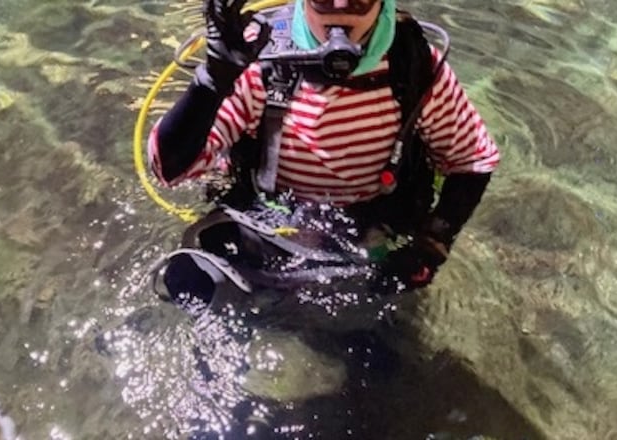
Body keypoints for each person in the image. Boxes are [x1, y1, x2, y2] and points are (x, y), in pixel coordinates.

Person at [147, 0, 498, 309]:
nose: (342, 6)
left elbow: (473, 159)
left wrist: (430, 246)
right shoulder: (261, 60)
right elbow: (170, 170)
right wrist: (212, 79)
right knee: (190, 283)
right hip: (270, 222)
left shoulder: (414, 66)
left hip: (371, 232)